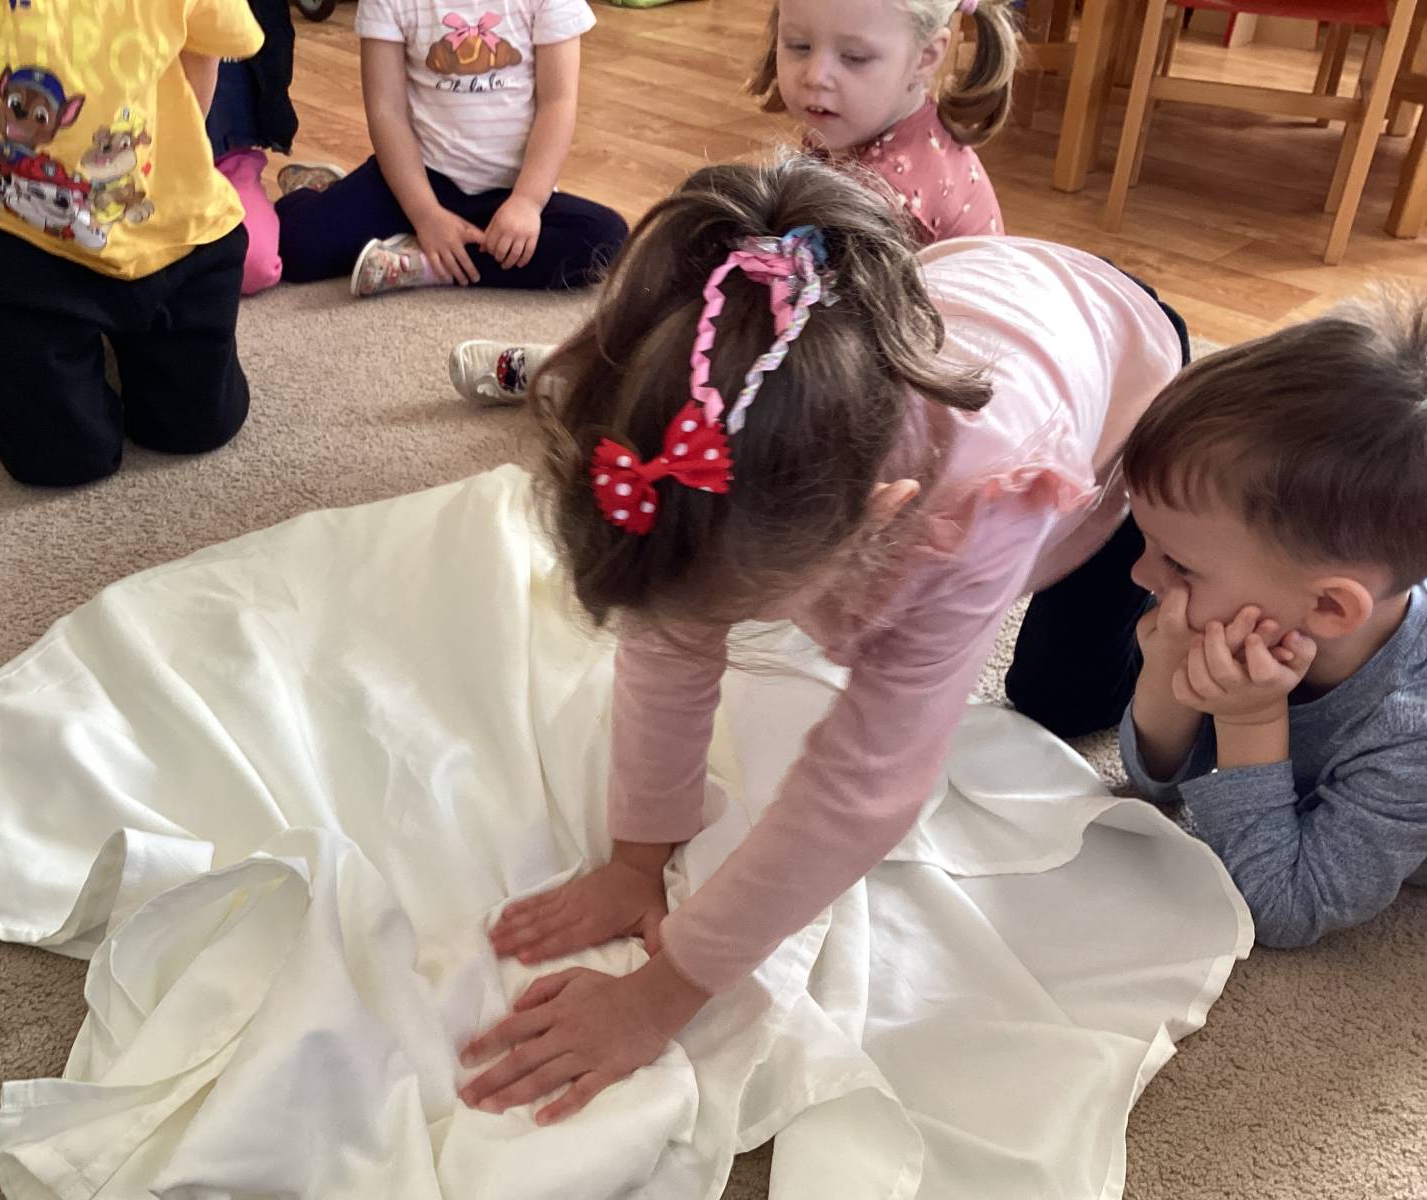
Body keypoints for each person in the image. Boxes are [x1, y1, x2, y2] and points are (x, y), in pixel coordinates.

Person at [453, 154, 1186, 1123]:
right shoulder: (727, 407)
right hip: (963, 300)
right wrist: (636, 859)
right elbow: (667, 646)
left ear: (874, 523)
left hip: (1129, 375)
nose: (707, 631)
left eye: (738, 610)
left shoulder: (983, 502)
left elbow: (864, 788)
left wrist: (663, 992)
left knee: (1063, 699)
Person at [447, 0, 1016, 405]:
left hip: (905, 377)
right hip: (860, 322)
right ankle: (599, 367)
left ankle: (591, 381)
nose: (815, 75)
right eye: (798, 45)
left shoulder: (891, 187)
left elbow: (828, 334)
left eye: (855, 58)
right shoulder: (862, 121)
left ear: (927, 56)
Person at [0, 0, 265, 486]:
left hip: (176, 231)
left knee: (199, 424)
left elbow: (202, 52)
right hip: (19, 244)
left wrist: (166, 173)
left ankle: (113, 347)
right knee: (59, 458)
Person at [1118, 292, 1427, 948]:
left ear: (1328, 608)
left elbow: (1284, 908)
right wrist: (1167, 674)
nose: (1143, 577)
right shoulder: (1241, 603)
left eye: (1176, 563)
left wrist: (1250, 720)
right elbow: (1150, 781)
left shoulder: (1410, 736)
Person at [273, 0, 628, 296]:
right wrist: (425, 214)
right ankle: (320, 192)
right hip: (417, 180)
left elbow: (558, 104)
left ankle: (419, 265)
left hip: (510, 193)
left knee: (605, 241)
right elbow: (386, 111)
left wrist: (527, 201)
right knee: (296, 247)